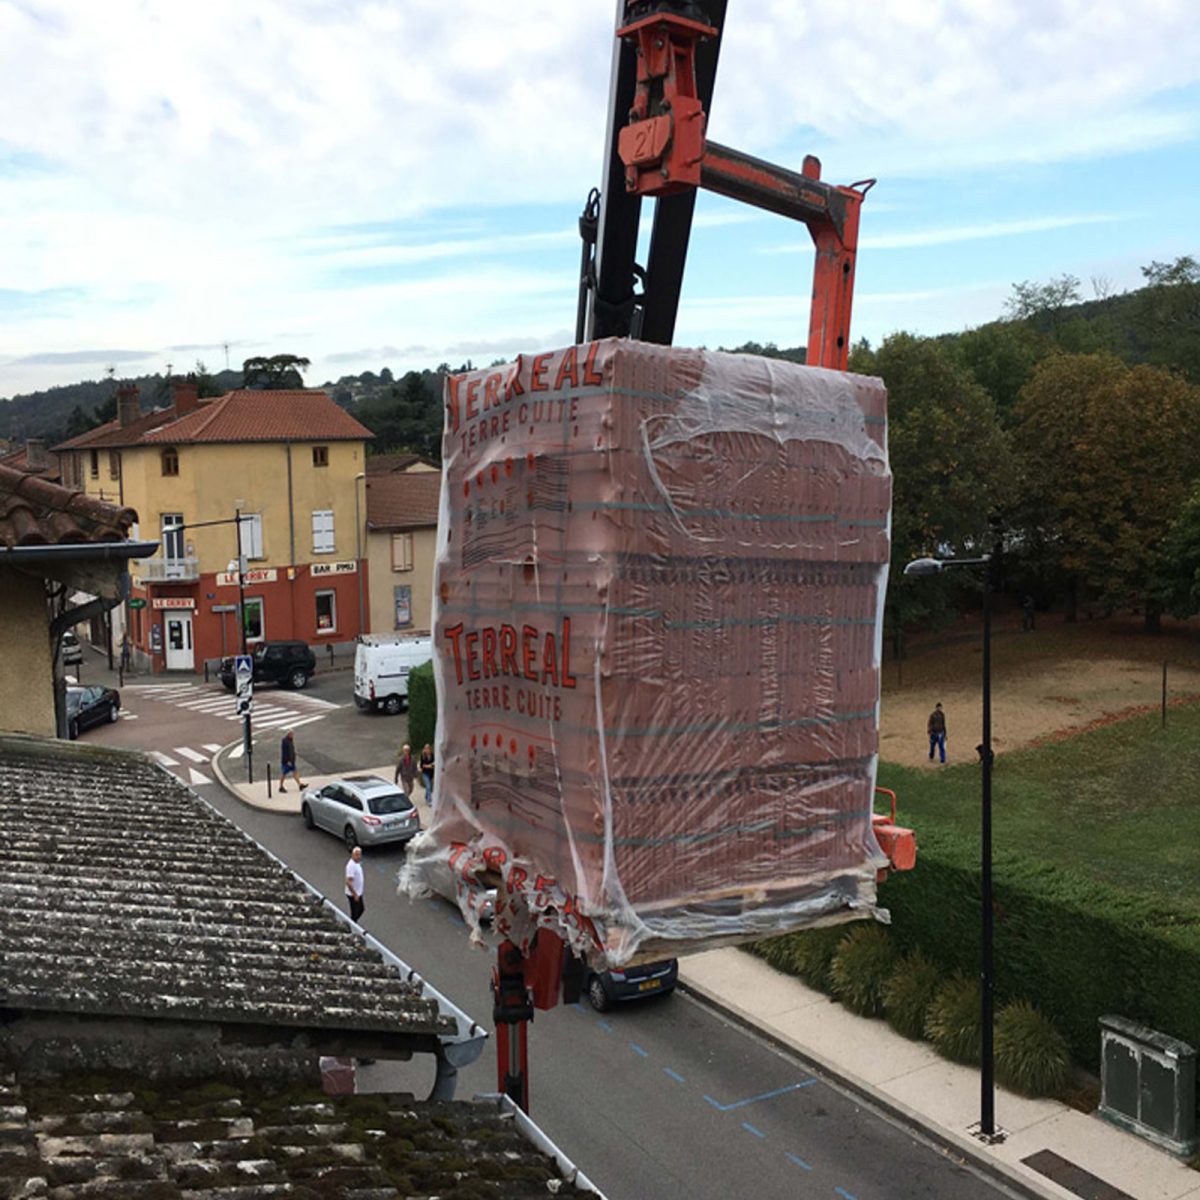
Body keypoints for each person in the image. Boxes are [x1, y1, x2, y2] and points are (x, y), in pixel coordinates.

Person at [345, 845, 365, 923]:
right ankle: (353, 925)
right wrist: (355, 894)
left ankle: (353, 923)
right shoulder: (351, 866)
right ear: (352, 855)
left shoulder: (357, 863)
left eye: (359, 854)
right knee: (356, 911)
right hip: (353, 894)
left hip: (358, 892)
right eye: (356, 855)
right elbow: (348, 882)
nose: (358, 856)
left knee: (361, 909)